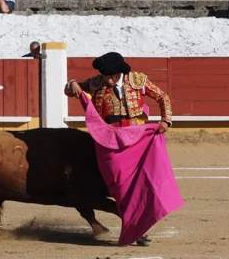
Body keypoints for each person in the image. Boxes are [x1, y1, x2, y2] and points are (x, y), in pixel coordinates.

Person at [65, 52, 175, 247]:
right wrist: (72, 83)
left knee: (140, 185)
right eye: (103, 75)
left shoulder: (137, 80)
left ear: (117, 74)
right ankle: (133, 224)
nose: (104, 79)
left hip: (137, 137)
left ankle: (138, 228)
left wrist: (166, 120)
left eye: (107, 75)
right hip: (110, 139)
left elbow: (162, 96)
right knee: (120, 186)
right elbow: (72, 90)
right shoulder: (97, 82)